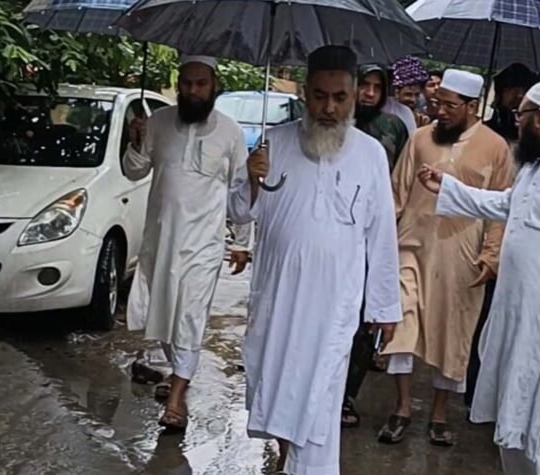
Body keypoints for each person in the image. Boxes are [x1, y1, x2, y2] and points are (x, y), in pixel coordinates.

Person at [228, 45, 402, 475]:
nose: (328, 108)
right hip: (279, 298)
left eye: (339, 97)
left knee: (321, 394)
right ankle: (290, 460)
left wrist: (384, 307)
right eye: (320, 96)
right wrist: (251, 178)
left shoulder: (370, 153)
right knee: (279, 385)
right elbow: (239, 212)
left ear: (355, 96)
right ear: (305, 93)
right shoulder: (275, 143)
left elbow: (381, 232)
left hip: (334, 303)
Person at [416, 78, 540, 475]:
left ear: (539, 118)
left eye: (519, 116)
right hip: (519, 327)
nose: (515, 123)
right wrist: (450, 188)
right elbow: (511, 203)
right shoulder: (537, 165)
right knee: (513, 437)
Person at [378, 69, 513, 447]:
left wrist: (491, 255)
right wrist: (379, 242)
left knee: (453, 335)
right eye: (438, 103)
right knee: (401, 325)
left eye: (451, 106)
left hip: (462, 254)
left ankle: (439, 414)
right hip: (411, 245)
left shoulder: (496, 147)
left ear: (472, 106)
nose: (441, 111)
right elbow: (396, 192)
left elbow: (501, 208)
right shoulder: (420, 138)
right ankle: (402, 407)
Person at [123, 54, 251, 431]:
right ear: (178, 85)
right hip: (161, 240)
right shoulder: (158, 123)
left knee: (190, 317)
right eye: (186, 83)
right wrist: (135, 141)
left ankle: (177, 396)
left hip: (204, 245)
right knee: (162, 314)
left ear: (214, 86)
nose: (193, 91)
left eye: (201, 84)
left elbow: (241, 189)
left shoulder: (230, 132)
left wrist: (242, 242)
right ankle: (178, 370)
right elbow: (134, 171)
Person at [463, 63, 537, 411]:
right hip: (485, 235)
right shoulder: (485, 135)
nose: (517, 97)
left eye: (524, 91)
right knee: (483, 317)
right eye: (511, 90)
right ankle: (475, 390)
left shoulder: (538, 145)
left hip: (526, 242)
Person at [341, 62, 409, 429]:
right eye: (363, 85)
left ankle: (347, 395)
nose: (369, 93)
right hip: (338, 238)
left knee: (365, 321)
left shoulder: (393, 128)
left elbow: (402, 184)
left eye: (376, 87)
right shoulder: (335, 124)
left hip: (377, 237)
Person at [391, 56, 431, 127]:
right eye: (408, 94)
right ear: (396, 92)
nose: (413, 100)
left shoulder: (420, 120)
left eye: (417, 95)